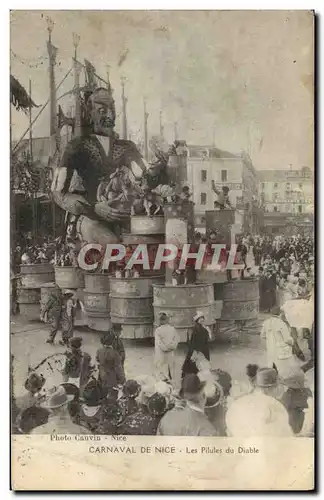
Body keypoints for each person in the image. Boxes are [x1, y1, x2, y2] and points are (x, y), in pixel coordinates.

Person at [226, 368, 292, 437]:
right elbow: (284, 434)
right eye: (278, 386)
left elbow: (230, 431)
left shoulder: (239, 403)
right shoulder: (275, 406)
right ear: (273, 388)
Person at [260, 306, 301, 378]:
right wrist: (293, 342)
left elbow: (263, 335)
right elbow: (287, 339)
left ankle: (273, 379)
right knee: (283, 368)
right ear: (280, 314)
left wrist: (269, 339)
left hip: (270, 348)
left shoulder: (266, 322)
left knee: (271, 365)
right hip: (281, 349)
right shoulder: (281, 323)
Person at [96, 331, 125, 399]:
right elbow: (119, 369)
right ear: (112, 342)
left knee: (103, 395)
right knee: (112, 397)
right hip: (112, 378)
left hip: (101, 376)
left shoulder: (99, 351)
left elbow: (97, 361)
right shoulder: (115, 354)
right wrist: (122, 380)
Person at [182, 312, 211, 378]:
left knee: (197, 363)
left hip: (202, 348)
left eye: (202, 318)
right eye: (200, 318)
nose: (202, 320)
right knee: (199, 362)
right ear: (197, 320)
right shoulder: (197, 328)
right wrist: (196, 350)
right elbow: (195, 340)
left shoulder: (202, 327)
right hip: (199, 348)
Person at [154, 312, 179, 383]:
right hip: (170, 353)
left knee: (162, 371)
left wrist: (165, 348)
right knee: (170, 369)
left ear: (160, 321)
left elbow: (158, 343)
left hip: (161, 354)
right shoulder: (172, 329)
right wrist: (171, 347)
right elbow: (176, 340)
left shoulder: (158, 330)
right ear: (167, 320)